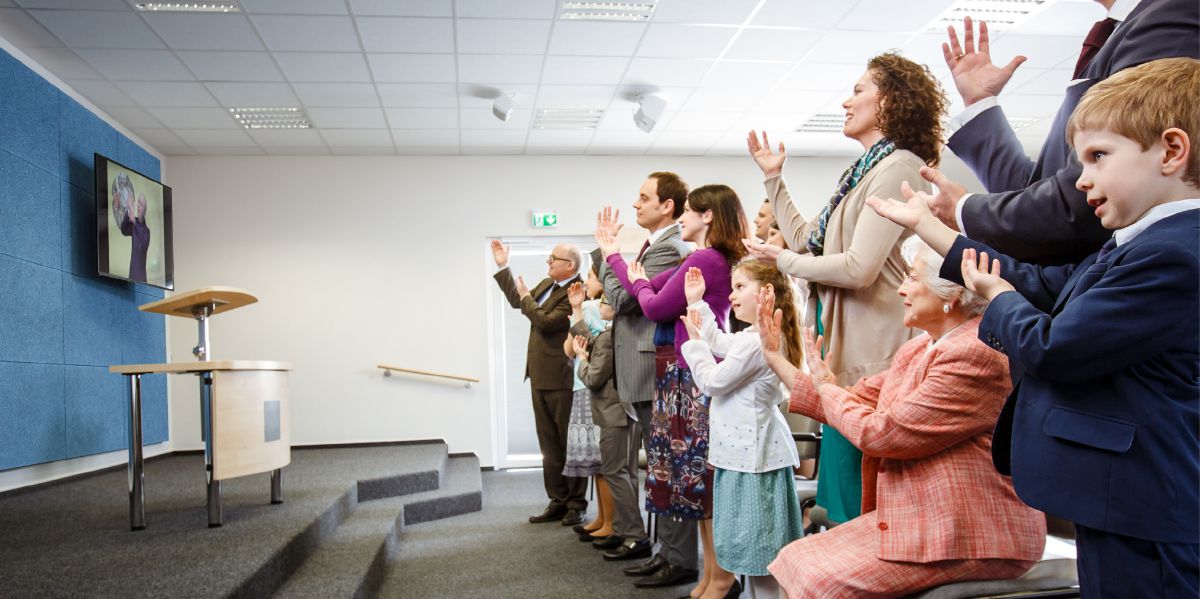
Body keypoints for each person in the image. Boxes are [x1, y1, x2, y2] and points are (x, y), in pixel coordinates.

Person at [868, 57, 1199, 597]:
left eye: (1097, 158)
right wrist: (931, 230)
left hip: (1146, 507)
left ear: (1171, 151)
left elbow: (1054, 346)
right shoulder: (1138, 245)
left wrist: (996, 299)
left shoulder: (1176, 255)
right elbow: (1041, 284)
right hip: (1122, 499)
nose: (1083, 179)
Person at [758, 236, 1047, 598]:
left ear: (950, 297)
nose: (901, 290)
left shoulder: (977, 352)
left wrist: (826, 387)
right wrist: (777, 360)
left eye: (912, 278)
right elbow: (848, 401)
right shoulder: (920, 347)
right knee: (795, 558)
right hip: (926, 521)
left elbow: (882, 433)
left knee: (820, 581)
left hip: (974, 533)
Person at [742, 52, 947, 528]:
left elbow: (858, 268)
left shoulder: (900, 166)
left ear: (891, 100)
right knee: (840, 500)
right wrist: (774, 179)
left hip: (874, 350)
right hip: (840, 350)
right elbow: (805, 241)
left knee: (861, 500)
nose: (845, 102)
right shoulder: (862, 172)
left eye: (858, 91)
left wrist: (784, 263)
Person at [919, 0, 1199, 264]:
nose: (1084, 181)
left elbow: (1076, 208)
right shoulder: (1125, 28)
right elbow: (1040, 187)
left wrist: (965, 210)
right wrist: (980, 102)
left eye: (1098, 154)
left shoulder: (1170, 14)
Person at [597, 184, 749, 594]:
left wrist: (637, 278)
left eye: (689, 212)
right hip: (680, 369)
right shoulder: (704, 257)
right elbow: (638, 287)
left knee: (698, 480)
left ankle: (721, 579)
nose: (682, 217)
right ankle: (711, 577)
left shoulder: (705, 258)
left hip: (691, 371)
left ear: (708, 217)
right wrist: (617, 259)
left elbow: (653, 306)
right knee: (690, 481)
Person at [679, 262, 804, 599]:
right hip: (747, 456)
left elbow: (712, 382)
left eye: (740, 287)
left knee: (761, 558)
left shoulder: (754, 343)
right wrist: (697, 304)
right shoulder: (752, 337)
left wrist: (693, 346)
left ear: (765, 293)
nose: (732, 295)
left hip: (752, 459)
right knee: (759, 556)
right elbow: (720, 340)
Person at [593, 173, 693, 571]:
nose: (635, 204)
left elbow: (622, 299)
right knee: (658, 468)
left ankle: (678, 559)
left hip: (654, 370)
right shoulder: (655, 246)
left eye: (643, 197)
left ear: (667, 205)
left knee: (664, 467)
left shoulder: (669, 249)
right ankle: (667, 554)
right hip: (643, 371)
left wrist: (606, 255)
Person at [491, 240, 587, 525]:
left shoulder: (575, 290)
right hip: (540, 374)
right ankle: (557, 499)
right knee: (548, 443)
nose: (548, 262)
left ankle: (575, 504)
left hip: (562, 376)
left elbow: (545, 322)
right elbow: (518, 302)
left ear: (569, 265)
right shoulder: (548, 283)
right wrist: (503, 266)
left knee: (569, 443)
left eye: (552, 259)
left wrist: (527, 299)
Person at [568, 282, 647, 562]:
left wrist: (581, 359)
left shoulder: (609, 336)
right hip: (629, 409)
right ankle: (626, 530)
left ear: (615, 306)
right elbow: (592, 340)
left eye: (603, 300)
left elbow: (592, 378)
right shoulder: (623, 331)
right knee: (626, 472)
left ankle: (635, 535)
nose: (599, 304)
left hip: (613, 413)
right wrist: (577, 310)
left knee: (615, 472)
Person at [561, 263, 605, 539]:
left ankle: (606, 519)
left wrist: (576, 311)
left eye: (590, 276)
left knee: (599, 463)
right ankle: (603, 518)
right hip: (595, 385)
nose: (586, 282)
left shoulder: (590, 308)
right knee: (600, 463)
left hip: (586, 385)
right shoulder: (600, 309)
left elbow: (568, 349)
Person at [111, 173, 150, 281]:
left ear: (145, 209)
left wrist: (133, 220)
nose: (137, 205)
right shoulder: (134, 222)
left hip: (141, 277)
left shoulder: (147, 231)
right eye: (137, 202)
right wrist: (128, 210)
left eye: (140, 204)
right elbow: (124, 230)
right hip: (132, 274)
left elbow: (143, 243)